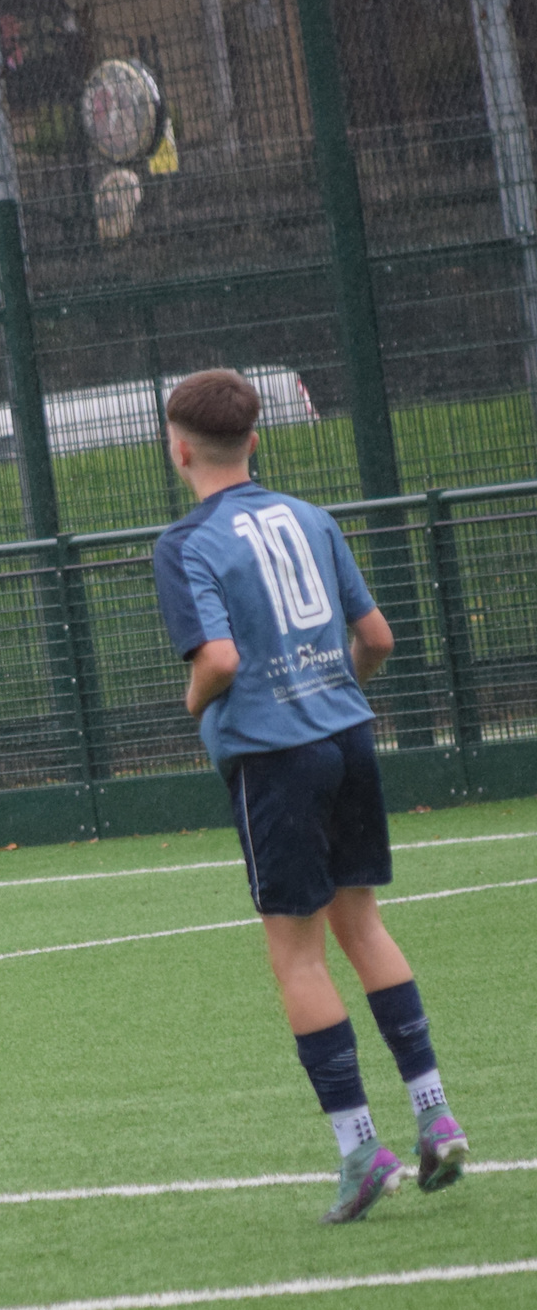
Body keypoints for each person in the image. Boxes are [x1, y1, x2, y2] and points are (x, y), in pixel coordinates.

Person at [152, 368, 469, 1224]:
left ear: (179, 448)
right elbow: (377, 638)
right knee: (362, 925)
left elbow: (216, 662)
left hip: (275, 757)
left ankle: (361, 1148)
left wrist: (193, 711)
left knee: (296, 954)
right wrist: (334, 691)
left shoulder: (186, 543)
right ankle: (437, 1113)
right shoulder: (313, 517)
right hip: (347, 734)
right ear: (254, 440)